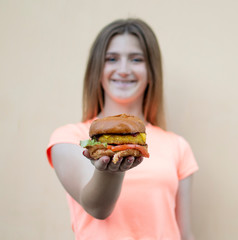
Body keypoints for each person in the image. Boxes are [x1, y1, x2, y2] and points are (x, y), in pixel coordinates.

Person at [46, 18, 199, 240]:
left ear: (151, 71)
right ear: (97, 69)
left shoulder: (178, 146)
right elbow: (97, 208)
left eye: (136, 59)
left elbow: (184, 234)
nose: (124, 70)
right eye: (112, 59)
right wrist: (109, 171)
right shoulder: (68, 138)